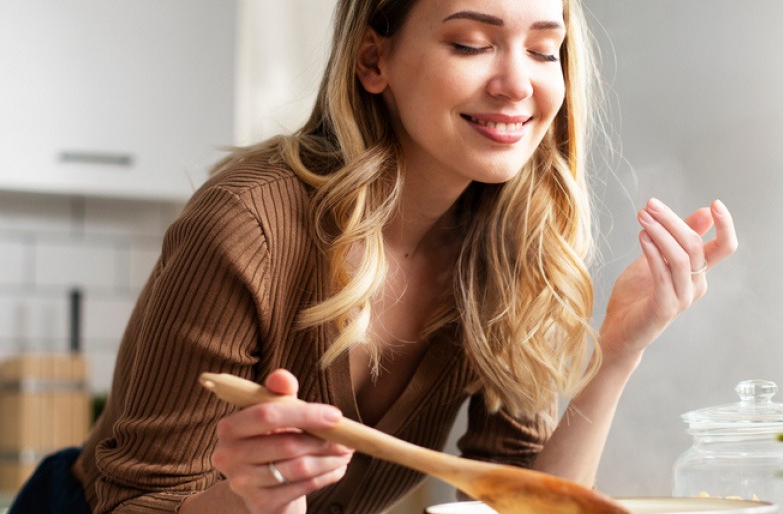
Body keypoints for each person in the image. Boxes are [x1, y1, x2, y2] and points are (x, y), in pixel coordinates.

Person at [62, 0, 738, 513]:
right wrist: (252, 498)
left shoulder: (506, 247)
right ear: (373, 60)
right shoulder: (248, 226)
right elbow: (135, 504)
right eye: (472, 44)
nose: (516, 83)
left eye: (543, 50)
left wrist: (617, 352)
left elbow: (521, 501)